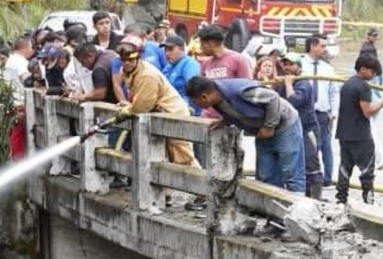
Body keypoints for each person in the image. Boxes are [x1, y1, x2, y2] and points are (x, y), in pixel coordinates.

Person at [185, 76, 305, 193]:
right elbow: (237, 110)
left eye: (195, 100)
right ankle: (273, 210)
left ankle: (299, 209)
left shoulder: (239, 90)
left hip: (284, 126)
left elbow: (273, 98)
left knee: (291, 172)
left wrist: (269, 126)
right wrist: (225, 121)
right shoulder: (218, 98)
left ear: (204, 97)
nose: (195, 104)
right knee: (266, 175)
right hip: (261, 131)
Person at [118, 36, 198, 168]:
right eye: (123, 60)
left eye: (130, 60)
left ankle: (199, 187)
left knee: (183, 157)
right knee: (164, 157)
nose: (126, 63)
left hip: (174, 115)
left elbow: (142, 106)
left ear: (138, 58)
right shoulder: (128, 71)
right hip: (161, 114)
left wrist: (130, 110)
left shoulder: (147, 75)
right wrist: (131, 105)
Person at [335, 54, 383, 204]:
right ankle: (368, 202)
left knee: (344, 169)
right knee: (367, 172)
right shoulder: (363, 86)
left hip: (344, 134)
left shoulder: (347, 84)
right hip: (360, 136)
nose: (374, 76)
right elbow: (368, 111)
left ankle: (341, 200)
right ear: (363, 69)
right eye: (373, 72)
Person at [298, 36, 339, 185]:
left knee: (326, 147)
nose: (324, 49)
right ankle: (310, 177)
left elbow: (333, 91)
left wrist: (333, 112)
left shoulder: (327, 69)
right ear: (312, 46)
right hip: (306, 113)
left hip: (323, 113)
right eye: (322, 46)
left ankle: (327, 179)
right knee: (309, 146)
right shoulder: (300, 65)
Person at [280, 53, 323, 198]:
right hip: (291, 130)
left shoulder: (304, 84)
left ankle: (316, 199)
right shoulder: (283, 84)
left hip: (307, 130)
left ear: (298, 66)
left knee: (311, 163)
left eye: (291, 64)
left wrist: (288, 84)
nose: (287, 67)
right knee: (296, 165)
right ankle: (301, 196)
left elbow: (294, 101)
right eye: (285, 64)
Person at [3, 36, 35, 160]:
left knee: (14, 134)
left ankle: (15, 159)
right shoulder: (21, 62)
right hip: (19, 103)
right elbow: (26, 79)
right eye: (31, 47)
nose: (32, 51)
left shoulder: (10, 60)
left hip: (11, 101)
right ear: (26, 47)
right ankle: (19, 162)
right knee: (19, 135)